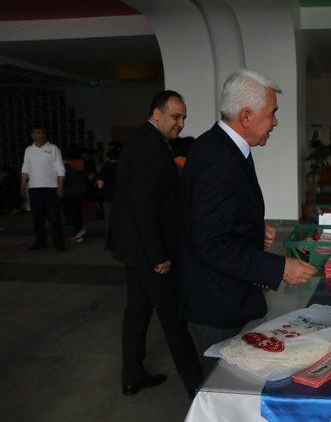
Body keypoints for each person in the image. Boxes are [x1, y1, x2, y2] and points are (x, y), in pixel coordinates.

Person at [180, 69, 317, 371]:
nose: (276, 122)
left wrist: (254, 229)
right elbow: (212, 245)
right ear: (246, 116)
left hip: (229, 292)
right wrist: (279, 266)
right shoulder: (216, 159)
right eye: (272, 114)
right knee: (220, 389)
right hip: (215, 302)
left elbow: (218, 216)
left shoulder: (227, 148)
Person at [110, 90, 202, 398]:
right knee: (174, 320)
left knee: (136, 313)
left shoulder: (145, 141)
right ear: (157, 113)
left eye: (184, 117)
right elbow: (144, 207)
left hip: (134, 251)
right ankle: (197, 389)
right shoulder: (149, 146)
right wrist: (158, 254)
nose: (180, 123)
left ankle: (132, 376)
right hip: (149, 253)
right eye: (176, 116)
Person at [20, 126, 66, 251]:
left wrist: (60, 186)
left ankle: (59, 242)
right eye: (36, 133)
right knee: (37, 217)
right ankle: (40, 242)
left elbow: (60, 168)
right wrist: (22, 186)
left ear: (44, 134)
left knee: (54, 217)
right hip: (34, 188)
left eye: (41, 132)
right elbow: (25, 169)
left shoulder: (53, 148)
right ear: (32, 135)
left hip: (51, 188)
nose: (39, 135)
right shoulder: (29, 150)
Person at [62, 144, 87, 243]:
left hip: (68, 191)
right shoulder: (81, 162)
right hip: (79, 191)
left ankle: (79, 230)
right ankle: (79, 232)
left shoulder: (65, 163)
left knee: (69, 212)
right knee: (77, 212)